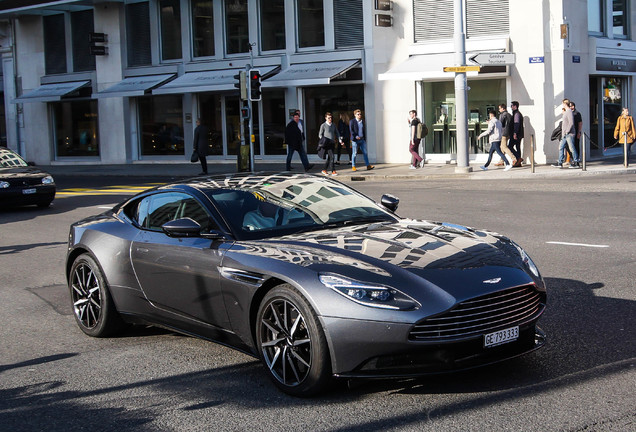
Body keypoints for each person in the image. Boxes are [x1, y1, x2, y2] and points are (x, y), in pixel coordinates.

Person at [554, 98, 579, 168]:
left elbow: (571, 123)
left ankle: (576, 161)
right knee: (561, 147)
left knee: (571, 148)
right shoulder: (566, 112)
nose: (562, 105)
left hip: (569, 134)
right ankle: (560, 162)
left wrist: (567, 131)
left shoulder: (569, 112)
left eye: (563, 104)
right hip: (565, 134)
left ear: (565, 104)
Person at [509, 101, 524, 166]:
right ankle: (518, 162)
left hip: (516, 134)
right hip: (519, 133)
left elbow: (516, 124)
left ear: (515, 106)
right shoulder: (517, 113)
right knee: (518, 147)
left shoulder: (516, 114)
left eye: (512, 105)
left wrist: (515, 133)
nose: (511, 107)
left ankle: (518, 158)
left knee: (510, 146)